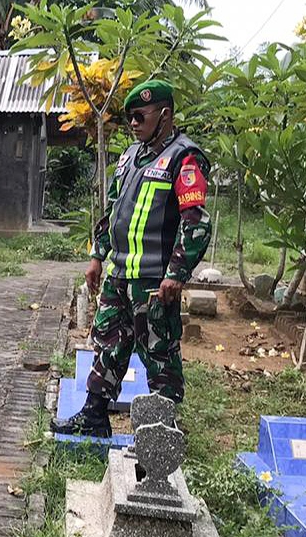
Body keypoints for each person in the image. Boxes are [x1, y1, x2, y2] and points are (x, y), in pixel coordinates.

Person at [52, 80, 211, 438]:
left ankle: (160, 435)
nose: (134, 124)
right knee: (107, 341)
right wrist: (97, 256)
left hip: (154, 282)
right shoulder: (129, 158)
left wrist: (177, 274)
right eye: (129, 119)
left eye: (140, 116)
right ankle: (94, 417)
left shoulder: (184, 158)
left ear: (165, 115)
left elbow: (196, 222)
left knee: (159, 356)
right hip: (119, 273)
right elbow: (113, 212)